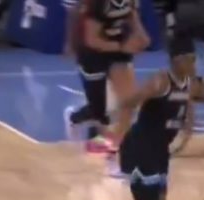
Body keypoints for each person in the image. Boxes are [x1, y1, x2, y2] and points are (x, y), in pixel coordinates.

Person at [94, 36, 204, 200]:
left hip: (159, 153)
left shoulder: (189, 83)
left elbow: (187, 108)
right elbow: (130, 103)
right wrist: (113, 130)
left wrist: (186, 135)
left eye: (194, 58)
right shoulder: (160, 81)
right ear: (176, 60)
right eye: (189, 59)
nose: (193, 63)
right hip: (140, 149)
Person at [63, 0, 150, 153]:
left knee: (129, 101)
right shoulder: (98, 3)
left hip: (117, 49)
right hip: (92, 52)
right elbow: (92, 39)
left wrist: (141, 36)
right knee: (98, 111)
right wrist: (70, 43)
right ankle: (75, 117)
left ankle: (120, 143)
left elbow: (131, 15)